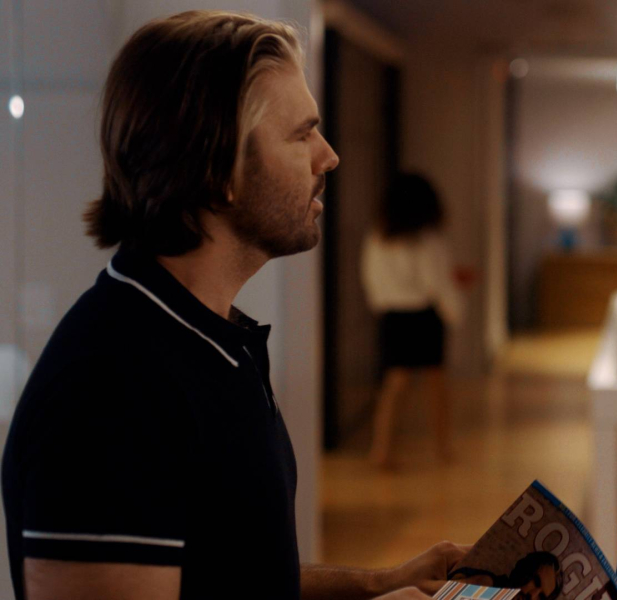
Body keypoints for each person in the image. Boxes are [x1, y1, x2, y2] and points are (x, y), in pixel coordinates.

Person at [1, 11, 464, 600]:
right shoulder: (108, 386)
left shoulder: (211, 339)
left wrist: (380, 585)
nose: (328, 156)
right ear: (218, 167)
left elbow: (232, 578)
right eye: (301, 134)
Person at [361, 173, 465, 469]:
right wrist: (454, 311)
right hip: (424, 316)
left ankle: (381, 450)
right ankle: (443, 447)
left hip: (392, 316)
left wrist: (381, 306)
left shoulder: (377, 236)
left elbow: (370, 279)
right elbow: (437, 283)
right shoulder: (428, 239)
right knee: (436, 383)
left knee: (394, 384)